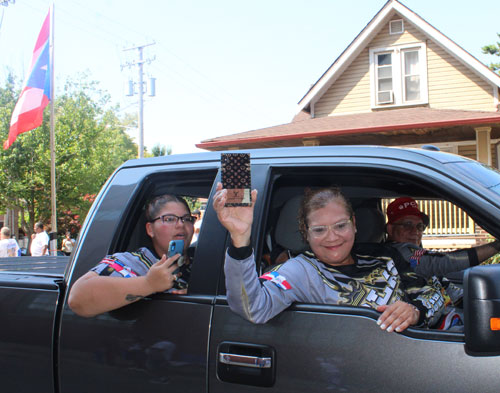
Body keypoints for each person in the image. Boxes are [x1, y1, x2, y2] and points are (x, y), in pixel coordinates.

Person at [214, 184, 445, 332]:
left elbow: (432, 292)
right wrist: (241, 238)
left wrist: (415, 311)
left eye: (340, 226)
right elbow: (252, 307)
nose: (332, 237)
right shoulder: (300, 270)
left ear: (354, 224)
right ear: (306, 233)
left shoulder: (384, 256)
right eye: (319, 229)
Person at [68, 194, 196, 317]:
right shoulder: (133, 263)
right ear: (150, 229)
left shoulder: (202, 259)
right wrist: (149, 284)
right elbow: (78, 299)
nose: (181, 224)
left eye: (187, 219)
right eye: (169, 219)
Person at [385, 197, 500, 278]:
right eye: (407, 225)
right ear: (390, 229)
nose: (415, 231)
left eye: (420, 226)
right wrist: (496, 246)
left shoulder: (417, 254)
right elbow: (446, 261)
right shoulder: (398, 253)